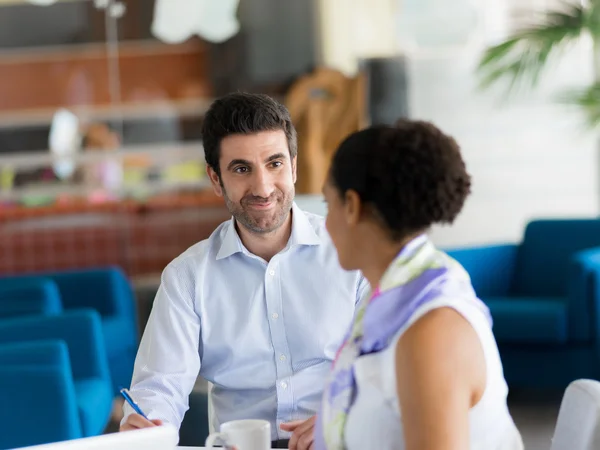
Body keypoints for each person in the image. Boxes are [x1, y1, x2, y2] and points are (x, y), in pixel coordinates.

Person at [120, 92, 368, 450]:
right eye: (241, 169)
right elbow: (160, 387)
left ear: (294, 167)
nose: (263, 187)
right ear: (215, 178)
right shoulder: (187, 277)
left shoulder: (353, 254)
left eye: (275, 164)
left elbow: (385, 367)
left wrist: (343, 417)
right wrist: (147, 426)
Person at [314, 120, 523, 450]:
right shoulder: (401, 292)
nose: (324, 225)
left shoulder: (433, 332)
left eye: (328, 204)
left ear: (351, 206)